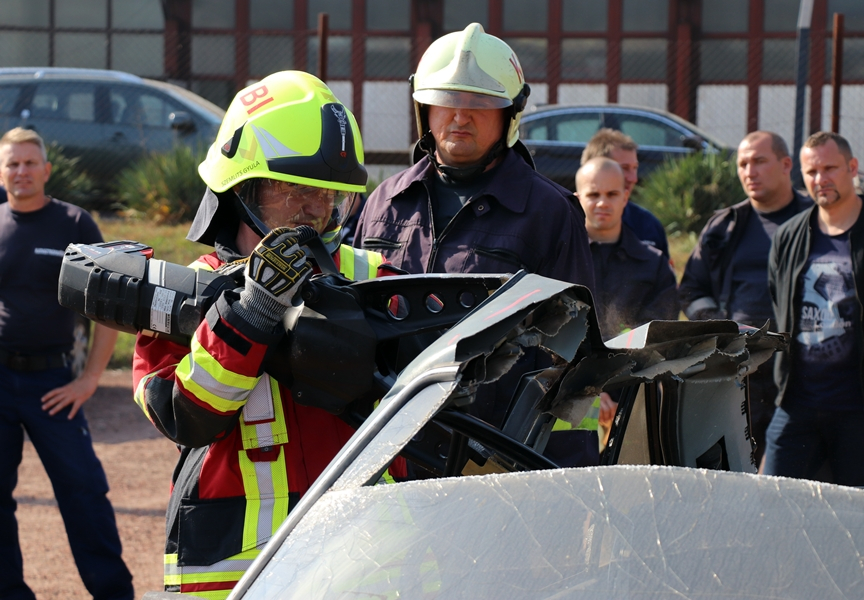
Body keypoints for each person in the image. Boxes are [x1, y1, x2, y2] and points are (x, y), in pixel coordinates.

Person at [131, 71, 395, 598]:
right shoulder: (182, 298)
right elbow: (186, 417)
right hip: (237, 569)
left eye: (329, 193)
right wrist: (250, 314)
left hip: (369, 558)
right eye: (295, 190)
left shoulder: (376, 278)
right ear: (241, 191)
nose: (315, 210)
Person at [353, 23, 595, 432]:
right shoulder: (384, 203)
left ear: (510, 114)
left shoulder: (549, 213)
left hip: (492, 448)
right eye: (447, 100)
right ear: (424, 108)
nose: (460, 116)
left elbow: (574, 356)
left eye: (480, 103)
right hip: (387, 441)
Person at [0, 127, 132, 600]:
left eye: (29, 163)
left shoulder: (74, 224)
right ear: (1, 172)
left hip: (53, 384)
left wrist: (90, 380)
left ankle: (113, 593)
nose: (21, 171)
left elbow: (107, 309)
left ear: (46, 170)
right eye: (12, 163)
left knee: (83, 491)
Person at [765, 131, 864, 486]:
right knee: (774, 501)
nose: (820, 179)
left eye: (830, 168)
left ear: (852, 167)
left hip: (862, 407)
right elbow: (779, 303)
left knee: (854, 509)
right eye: (811, 171)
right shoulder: (789, 236)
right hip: (796, 403)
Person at [678, 131, 811, 467]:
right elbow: (691, 289)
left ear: (786, 165)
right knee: (730, 470)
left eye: (759, 161)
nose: (750, 171)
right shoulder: (724, 226)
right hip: (738, 367)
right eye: (743, 164)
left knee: (800, 474)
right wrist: (722, 330)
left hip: (801, 370)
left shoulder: (817, 222)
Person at [547, 157, 678, 467]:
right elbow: (548, 331)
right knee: (570, 478)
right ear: (577, 198)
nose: (602, 202)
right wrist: (589, 389)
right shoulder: (556, 258)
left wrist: (611, 387)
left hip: (632, 395)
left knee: (632, 486)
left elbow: (658, 336)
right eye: (593, 194)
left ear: (625, 196)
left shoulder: (652, 264)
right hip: (569, 396)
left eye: (611, 194)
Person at [581, 128, 670, 257]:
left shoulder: (648, 225)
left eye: (635, 168)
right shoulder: (564, 225)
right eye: (624, 168)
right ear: (596, 169)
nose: (633, 178)